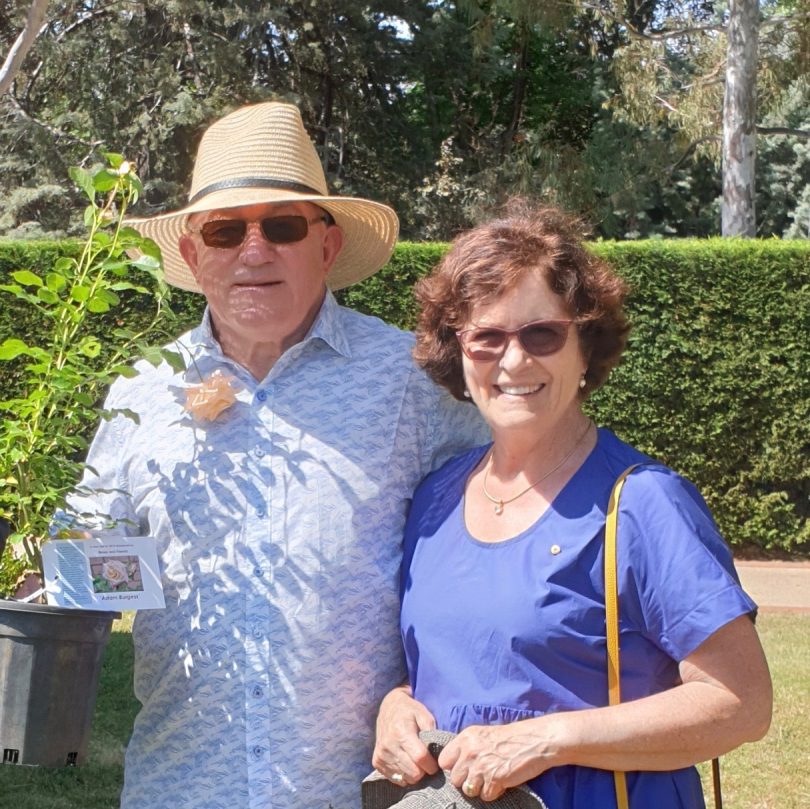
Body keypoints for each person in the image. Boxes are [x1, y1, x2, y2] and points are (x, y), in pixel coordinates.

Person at [66, 101, 487, 809]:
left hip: (358, 791)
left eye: (282, 226)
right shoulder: (143, 390)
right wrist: (52, 578)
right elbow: (85, 563)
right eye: (226, 231)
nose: (253, 251)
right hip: (181, 788)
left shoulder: (410, 381)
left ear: (326, 246)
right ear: (195, 256)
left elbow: (495, 542)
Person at [371, 201, 772, 808]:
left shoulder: (641, 503)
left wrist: (549, 739)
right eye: (486, 337)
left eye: (542, 334)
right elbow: (464, 666)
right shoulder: (435, 499)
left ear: (585, 349)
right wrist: (396, 706)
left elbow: (740, 703)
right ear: (457, 352)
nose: (513, 360)